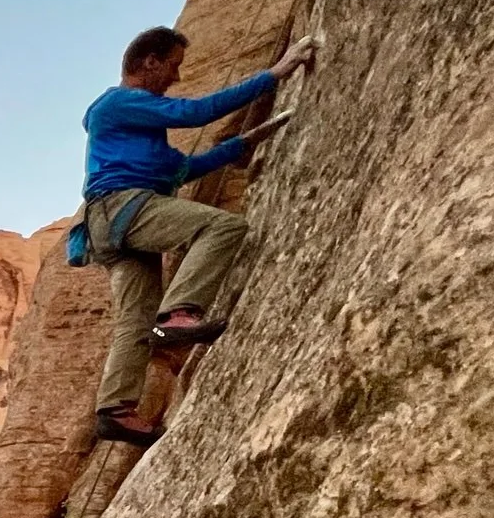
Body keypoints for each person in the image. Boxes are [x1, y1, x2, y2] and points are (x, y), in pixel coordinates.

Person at [79, 25, 318, 446]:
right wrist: (275, 73)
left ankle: (115, 410)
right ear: (149, 62)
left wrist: (241, 143)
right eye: (172, 65)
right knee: (223, 225)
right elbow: (193, 113)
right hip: (124, 208)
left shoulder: (132, 130)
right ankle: (177, 316)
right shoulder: (117, 104)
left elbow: (181, 170)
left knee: (135, 320)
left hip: (109, 224)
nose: (176, 76)